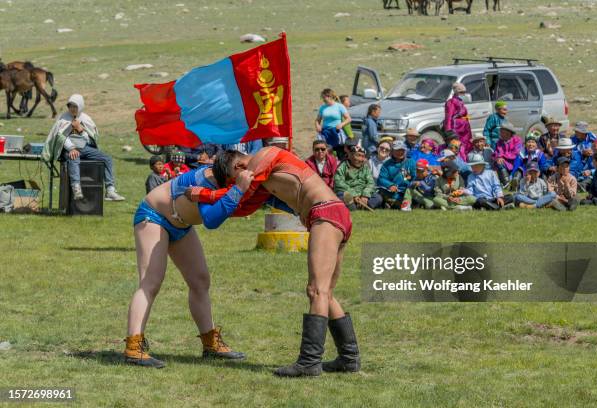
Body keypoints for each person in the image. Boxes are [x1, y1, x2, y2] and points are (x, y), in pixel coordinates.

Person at [210, 147, 361, 377]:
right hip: (332, 212)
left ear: (238, 166)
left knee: (316, 290)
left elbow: (244, 190)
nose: (237, 182)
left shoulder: (264, 155)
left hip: (325, 212)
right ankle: (349, 359)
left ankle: (309, 362)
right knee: (326, 292)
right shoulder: (262, 177)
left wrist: (204, 195)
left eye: (234, 178)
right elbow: (242, 206)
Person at [125, 163, 253, 368]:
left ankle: (210, 343)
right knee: (151, 282)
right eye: (243, 167)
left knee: (200, 280)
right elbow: (212, 219)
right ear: (232, 166)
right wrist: (238, 189)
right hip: (154, 216)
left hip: (180, 225)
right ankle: (133, 346)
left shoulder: (221, 175)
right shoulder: (206, 179)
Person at [42, 94, 124, 201]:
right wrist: (71, 148)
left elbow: (90, 139)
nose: (72, 109)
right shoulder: (63, 118)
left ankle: (110, 190)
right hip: (68, 149)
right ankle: (76, 188)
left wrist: (80, 129)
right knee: (74, 157)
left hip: (84, 148)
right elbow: (60, 136)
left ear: (80, 107)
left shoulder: (86, 119)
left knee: (107, 158)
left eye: (75, 106)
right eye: (70, 106)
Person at [334, 145, 382, 211]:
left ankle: (358, 206)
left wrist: (365, 195)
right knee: (341, 195)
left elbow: (370, 183)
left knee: (378, 197)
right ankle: (356, 207)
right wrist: (354, 195)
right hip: (349, 193)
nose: (360, 159)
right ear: (350, 155)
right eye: (358, 155)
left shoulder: (365, 168)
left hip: (362, 194)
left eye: (363, 156)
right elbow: (339, 183)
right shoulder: (342, 167)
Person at [378, 140, 416, 211]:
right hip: (392, 191)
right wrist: (390, 185)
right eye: (397, 150)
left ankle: (394, 203)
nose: (400, 152)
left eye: (402, 150)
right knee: (382, 191)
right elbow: (381, 178)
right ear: (392, 151)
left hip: (406, 191)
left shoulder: (411, 162)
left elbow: (414, 177)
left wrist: (409, 182)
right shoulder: (387, 164)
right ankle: (394, 203)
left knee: (409, 193)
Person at [315, 88, 351, 160]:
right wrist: (317, 126)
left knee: (341, 154)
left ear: (330, 96)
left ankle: (342, 168)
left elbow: (349, 119)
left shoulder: (339, 106)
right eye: (323, 97)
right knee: (327, 154)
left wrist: (341, 124)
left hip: (336, 132)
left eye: (324, 97)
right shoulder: (322, 107)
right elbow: (317, 120)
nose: (324, 99)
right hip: (326, 132)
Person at [443, 82, 472, 160]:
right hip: (456, 127)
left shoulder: (460, 101)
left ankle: (465, 160)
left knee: (466, 144)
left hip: (464, 128)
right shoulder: (451, 102)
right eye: (461, 92)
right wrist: (448, 130)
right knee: (458, 145)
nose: (463, 94)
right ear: (456, 91)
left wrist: (467, 121)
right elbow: (449, 116)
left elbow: (465, 115)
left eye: (464, 92)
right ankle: (459, 161)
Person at [492, 122, 522, 187]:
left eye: (502, 131)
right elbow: (496, 153)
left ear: (508, 132)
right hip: (504, 163)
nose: (500, 133)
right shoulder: (499, 142)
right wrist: (498, 157)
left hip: (515, 162)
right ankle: (506, 182)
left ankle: (512, 181)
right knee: (498, 162)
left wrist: (502, 156)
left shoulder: (517, 140)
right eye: (500, 131)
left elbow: (516, 153)